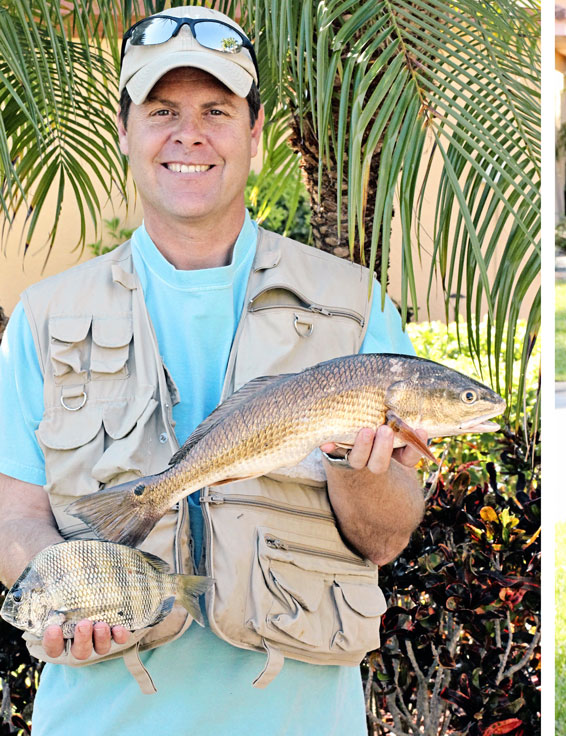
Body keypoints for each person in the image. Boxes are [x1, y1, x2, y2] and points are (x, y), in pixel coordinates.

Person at [0, 6, 426, 734]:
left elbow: (386, 539)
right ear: (125, 131)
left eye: (216, 111)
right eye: (162, 110)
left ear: (254, 137)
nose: (188, 134)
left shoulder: (355, 308)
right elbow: (15, 515)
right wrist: (67, 590)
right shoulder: (44, 316)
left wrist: (363, 474)